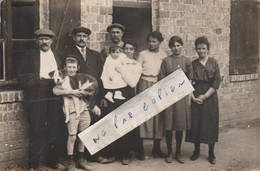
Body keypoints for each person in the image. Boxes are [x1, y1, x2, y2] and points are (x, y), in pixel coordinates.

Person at [17, 29, 65, 171]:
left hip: (54, 94)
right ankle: (33, 165)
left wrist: (61, 80)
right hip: (37, 95)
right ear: (36, 41)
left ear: (52, 41)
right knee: (36, 129)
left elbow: (65, 72)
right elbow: (21, 76)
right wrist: (35, 83)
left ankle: (54, 162)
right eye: (41, 39)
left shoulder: (58, 55)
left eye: (47, 39)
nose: (44, 42)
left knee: (54, 128)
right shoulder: (29, 55)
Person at [53, 55, 100, 171]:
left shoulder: (82, 78)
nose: (71, 69)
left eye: (74, 67)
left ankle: (81, 160)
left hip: (84, 109)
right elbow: (55, 90)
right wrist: (72, 92)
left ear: (77, 68)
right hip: (73, 111)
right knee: (72, 136)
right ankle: (70, 162)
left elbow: (91, 91)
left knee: (83, 135)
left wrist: (92, 105)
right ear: (65, 67)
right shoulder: (63, 79)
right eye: (69, 67)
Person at [185, 36, 221, 165]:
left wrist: (205, 96)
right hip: (196, 94)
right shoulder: (193, 64)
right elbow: (188, 81)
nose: (201, 51)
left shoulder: (213, 63)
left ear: (208, 49)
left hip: (210, 96)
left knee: (210, 123)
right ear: (196, 49)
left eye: (203, 48)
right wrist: (193, 97)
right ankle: (196, 151)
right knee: (196, 122)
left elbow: (217, 82)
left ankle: (211, 153)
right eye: (198, 48)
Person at [159, 36, 193, 164]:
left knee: (179, 125)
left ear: (182, 46)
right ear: (170, 47)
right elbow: (161, 78)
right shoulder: (166, 61)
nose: (176, 48)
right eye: (173, 46)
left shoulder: (186, 61)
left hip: (181, 97)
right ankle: (169, 152)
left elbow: (190, 79)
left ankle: (178, 152)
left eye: (178, 45)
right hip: (169, 96)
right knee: (169, 125)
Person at [136, 31, 167, 160]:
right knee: (143, 115)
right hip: (144, 83)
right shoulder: (142, 54)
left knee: (157, 117)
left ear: (159, 42)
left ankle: (156, 148)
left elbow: (165, 72)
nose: (151, 44)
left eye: (154, 41)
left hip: (158, 84)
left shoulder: (163, 55)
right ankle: (140, 150)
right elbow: (136, 71)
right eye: (149, 41)